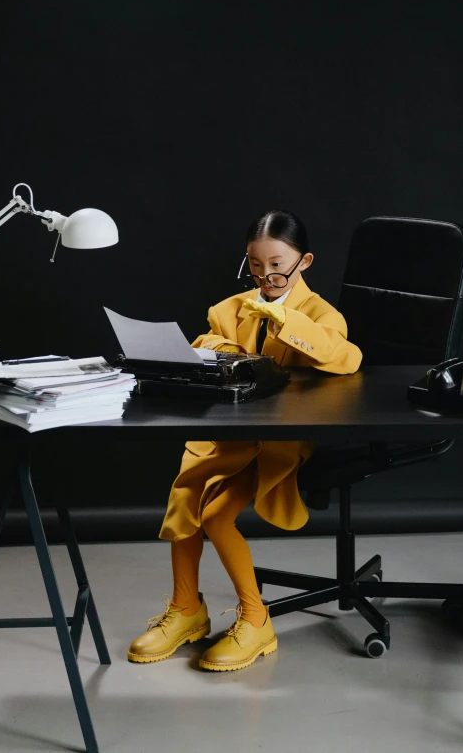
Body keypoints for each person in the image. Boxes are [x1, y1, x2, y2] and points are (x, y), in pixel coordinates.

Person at [127, 210, 362, 672]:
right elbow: (205, 341)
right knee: (185, 497)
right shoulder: (230, 307)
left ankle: (257, 620)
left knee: (216, 515)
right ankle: (186, 610)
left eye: (277, 265)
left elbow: (344, 357)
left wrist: (283, 318)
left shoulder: (321, 314)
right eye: (256, 266)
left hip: (279, 442)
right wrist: (227, 349)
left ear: (305, 261)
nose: (266, 276)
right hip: (231, 436)